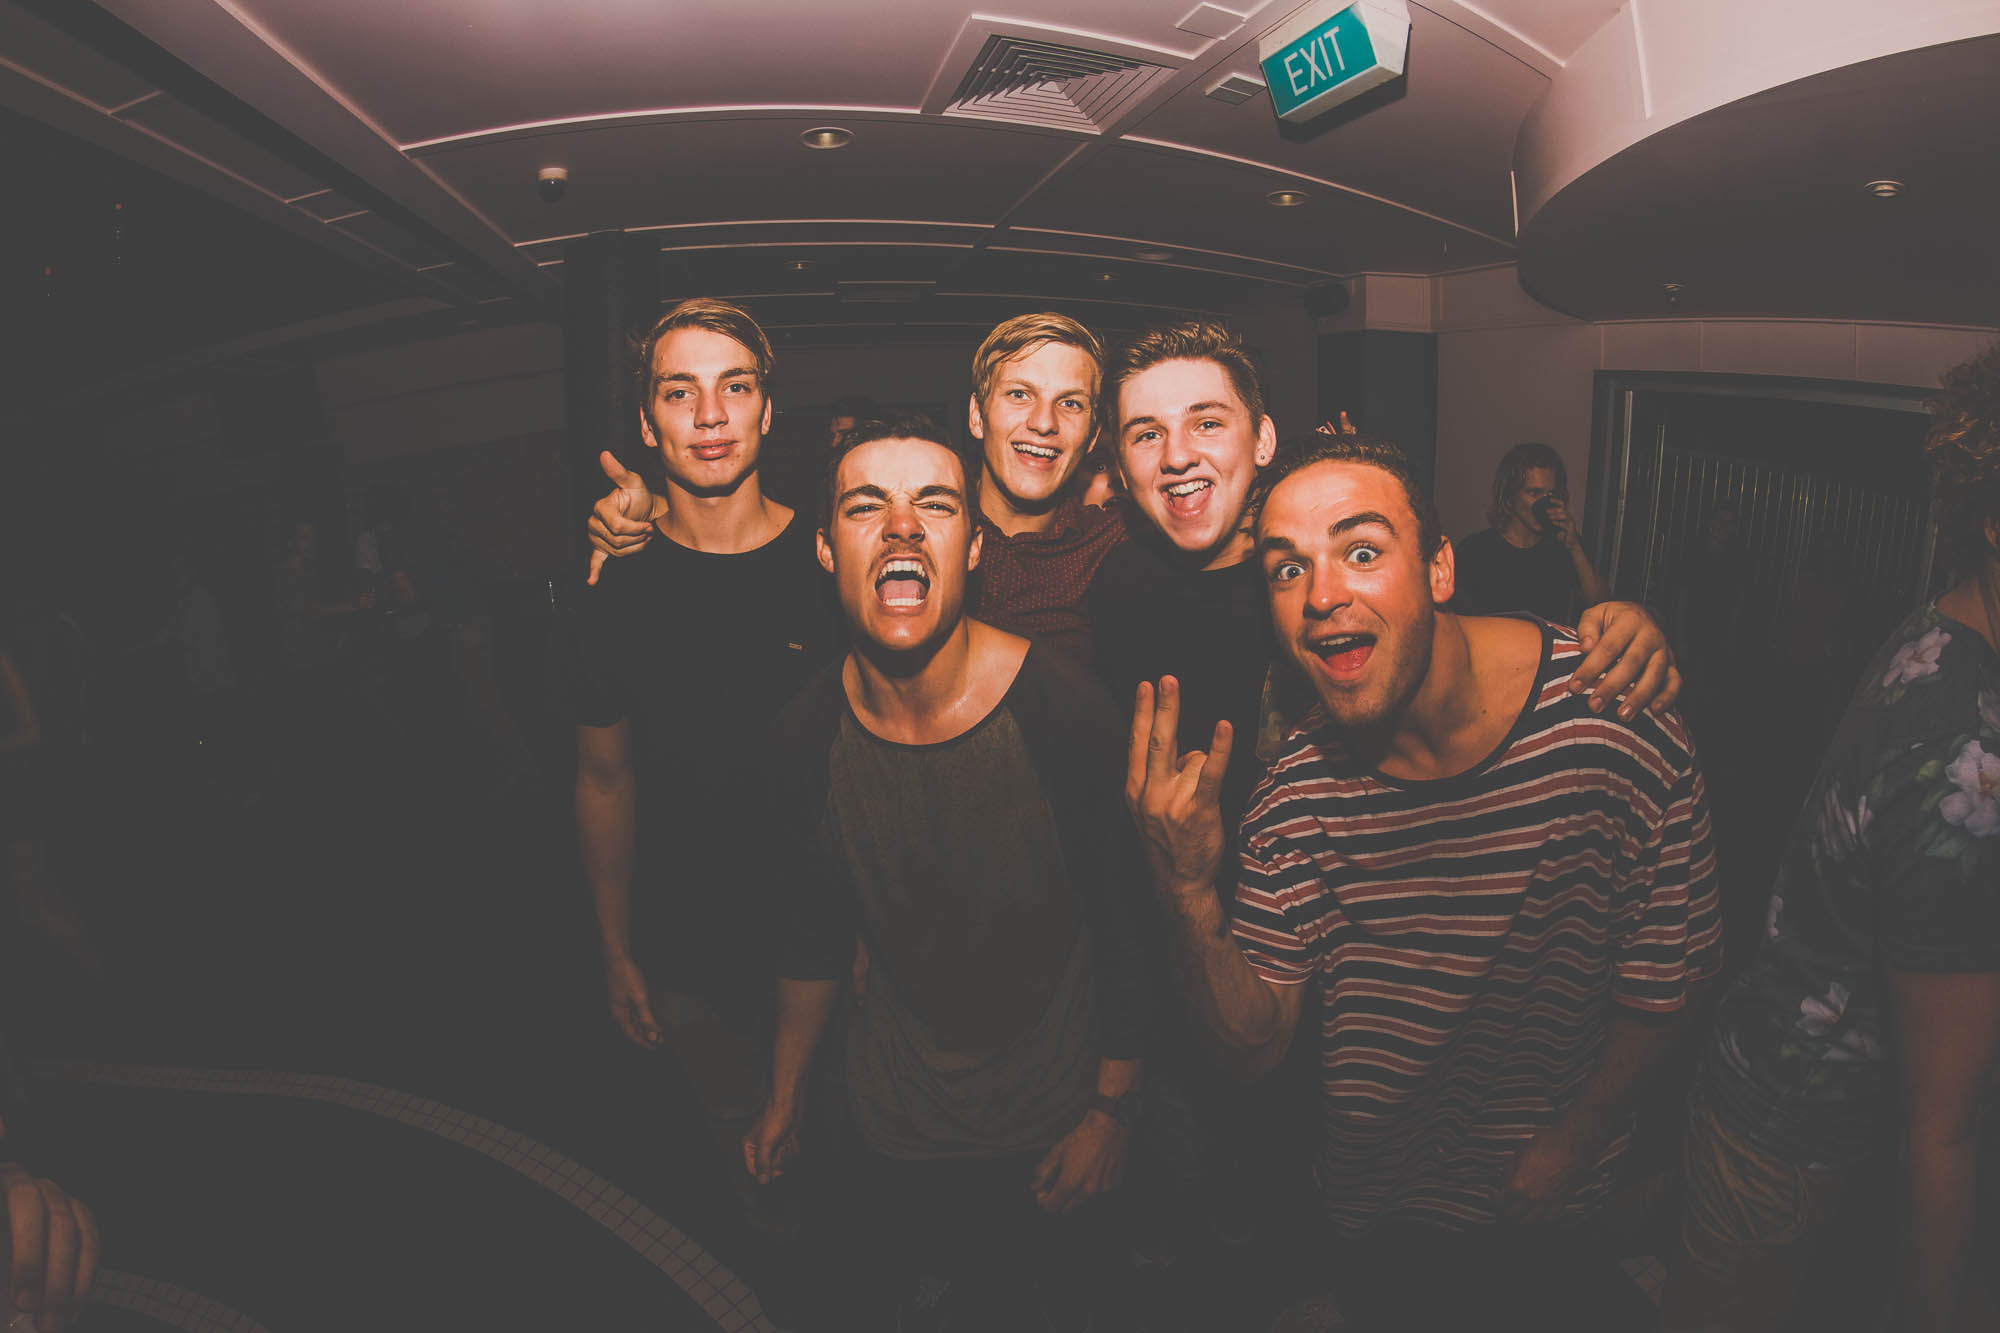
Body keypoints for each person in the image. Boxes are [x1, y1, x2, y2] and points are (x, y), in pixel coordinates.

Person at [1128, 433, 1724, 1331]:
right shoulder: (1294, 796)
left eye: (1362, 551)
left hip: (1559, 1196)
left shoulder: (1613, 718)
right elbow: (1254, 1047)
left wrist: (1577, 1140)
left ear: (1440, 568)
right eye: (1288, 569)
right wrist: (1185, 891)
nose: (1321, 594)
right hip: (1376, 1212)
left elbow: (1670, 979)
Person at [740, 417, 1147, 1328]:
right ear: (825, 549)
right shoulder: (801, 739)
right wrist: (784, 1096)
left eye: (934, 503)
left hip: (1056, 1121)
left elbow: (1128, 923)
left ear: (972, 547)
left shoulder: (1064, 710)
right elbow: (810, 936)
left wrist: (1111, 1113)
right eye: (865, 506)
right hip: (895, 1124)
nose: (901, 525)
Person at [1666, 342, 2000, 1333]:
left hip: (1798, 1120)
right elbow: (1941, 1125)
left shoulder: (1947, 632)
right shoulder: (1960, 747)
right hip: (1783, 1140)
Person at [549, 298, 841, 1239]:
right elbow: (604, 779)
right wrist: (614, 947)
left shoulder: (837, 562)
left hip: (844, 936)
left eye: (735, 387)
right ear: (647, 424)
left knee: (861, 1146)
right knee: (749, 1155)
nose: (710, 415)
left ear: (768, 409)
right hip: (688, 941)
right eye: (680, 392)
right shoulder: (609, 584)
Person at [588, 312, 1129, 663]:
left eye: (1070, 403)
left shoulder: (1115, 546)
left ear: (1093, 434)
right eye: (1019, 395)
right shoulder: (861, 536)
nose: (1043, 422)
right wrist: (651, 511)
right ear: (976, 414)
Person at [1453, 441, 1611, 622]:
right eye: (1534, 493)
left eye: (1551, 494)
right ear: (1510, 496)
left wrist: (1574, 548)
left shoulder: (1564, 547)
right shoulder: (1475, 550)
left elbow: (1603, 607)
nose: (1544, 503)